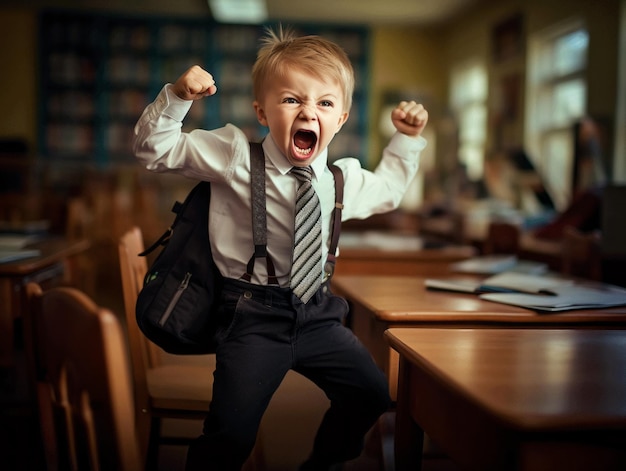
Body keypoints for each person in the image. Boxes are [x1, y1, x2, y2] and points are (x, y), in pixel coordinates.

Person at [133, 26, 428, 471]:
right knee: (231, 435)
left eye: (325, 103)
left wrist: (405, 139)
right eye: (292, 99)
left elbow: (387, 190)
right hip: (251, 317)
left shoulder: (339, 179)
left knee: (369, 394)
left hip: (317, 315)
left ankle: (320, 464)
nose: (309, 111)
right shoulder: (234, 155)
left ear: (341, 118)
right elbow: (153, 150)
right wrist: (178, 97)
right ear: (263, 111)